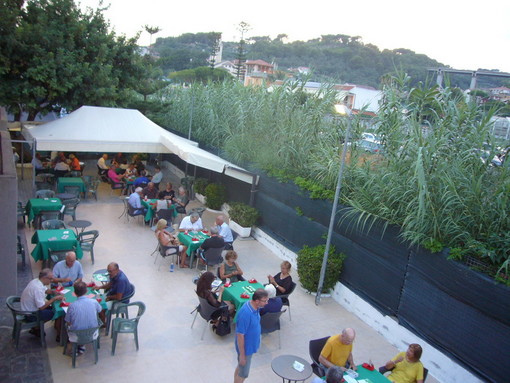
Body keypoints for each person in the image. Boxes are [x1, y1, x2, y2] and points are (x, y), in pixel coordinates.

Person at [234, 288, 269, 383]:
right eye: (265, 301)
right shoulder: (246, 313)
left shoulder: (256, 307)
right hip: (246, 349)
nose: (267, 303)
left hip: (250, 346)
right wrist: (242, 355)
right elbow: (240, 335)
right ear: (257, 301)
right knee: (243, 374)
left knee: (240, 368)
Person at [20, 268, 64, 338]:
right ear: (44, 278)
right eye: (50, 279)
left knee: (54, 308)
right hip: (31, 314)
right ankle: (39, 327)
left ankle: (37, 327)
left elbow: (46, 290)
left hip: (29, 309)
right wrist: (54, 298)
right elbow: (41, 307)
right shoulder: (37, 289)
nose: (52, 281)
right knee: (57, 312)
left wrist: (54, 292)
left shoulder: (36, 281)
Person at [65, 281, 102, 354]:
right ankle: (81, 346)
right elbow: (99, 310)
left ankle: (76, 345)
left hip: (77, 335)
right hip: (92, 332)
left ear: (74, 293)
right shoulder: (94, 302)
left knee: (67, 325)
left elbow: (68, 322)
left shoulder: (72, 306)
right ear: (86, 291)